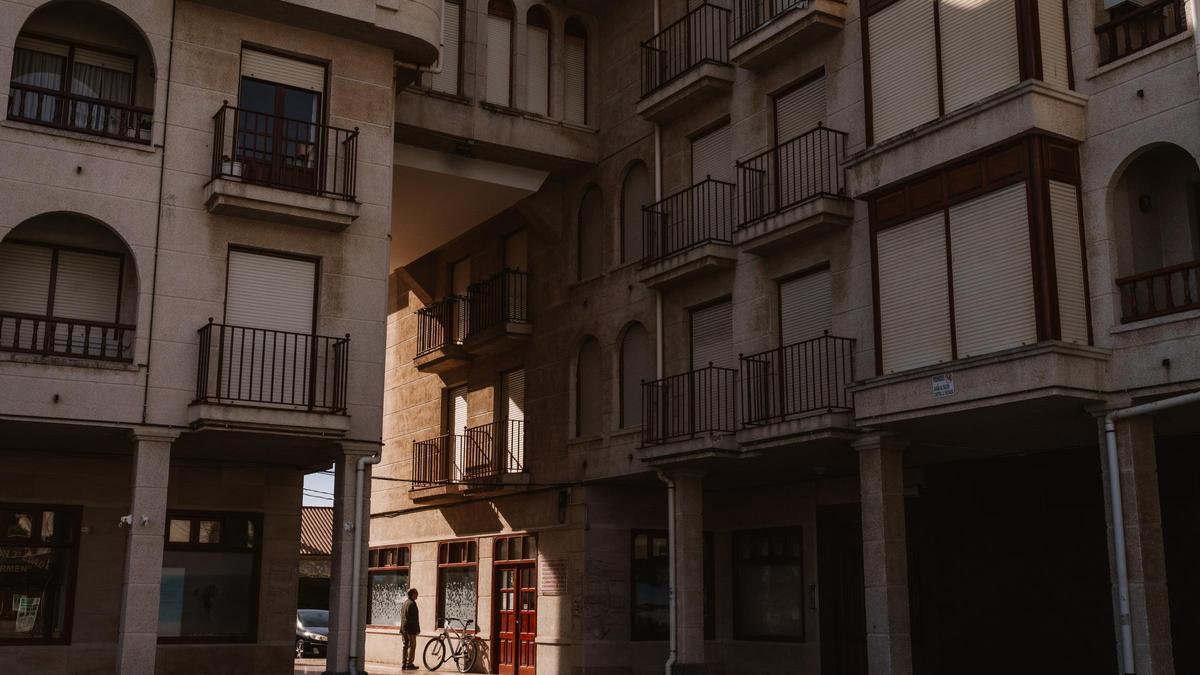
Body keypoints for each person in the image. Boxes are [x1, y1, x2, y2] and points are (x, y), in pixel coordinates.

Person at [399, 588, 421, 670]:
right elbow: (414, 619)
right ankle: (410, 664)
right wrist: (417, 629)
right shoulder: (412, 604)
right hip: (410, 629)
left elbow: (402, 617)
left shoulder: (405, 603)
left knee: (405, 646)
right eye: (416, 594)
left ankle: (404, 663)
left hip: (404, 628)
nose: (417, 596)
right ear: (412, 594)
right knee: (412, 646)